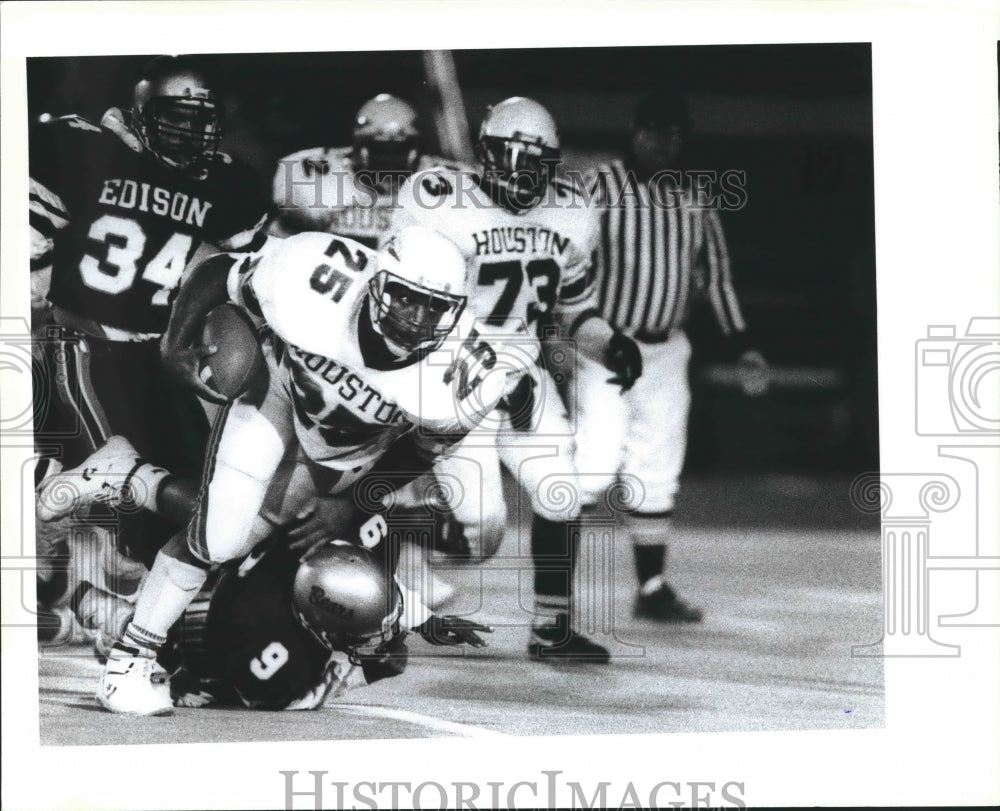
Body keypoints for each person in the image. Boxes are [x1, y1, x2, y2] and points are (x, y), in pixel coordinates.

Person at [48, 224, 520, 715]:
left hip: (346, 452)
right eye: (406, 298)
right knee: (219, 537)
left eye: (435, 307)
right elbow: (220, 272)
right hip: (275, 393)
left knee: (252, 538)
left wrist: (350, 502)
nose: (417, 319)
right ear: (378, 283)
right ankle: (129, 662)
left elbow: (420, 453)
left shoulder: (469, 376)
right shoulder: (312, 270)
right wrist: (175, 341)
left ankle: (132, 481)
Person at [389, 97, 643, 663]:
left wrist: (609, 342)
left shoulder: (570, 211)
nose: (524, 175)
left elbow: (575, 307)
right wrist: (491, 376)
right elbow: (419, 310)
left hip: (525, 374)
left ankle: (552, 627)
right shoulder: (441, 201)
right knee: (481, 532)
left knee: (561, 491)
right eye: (513, 160)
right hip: (452, 374)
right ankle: (388, 541)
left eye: (537, 165)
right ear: (486, 153)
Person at [30, 55, 271, 631]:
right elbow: (32, 250)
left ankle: (101, 598)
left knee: (199, 503)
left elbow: (241, 271)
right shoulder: (82, 148)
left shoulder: (228, 182)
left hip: (161, 357)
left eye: (200, 120)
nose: (189, 132)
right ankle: (86, 593)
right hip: (82, 341)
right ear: (140, 115)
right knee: (124, 494)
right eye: (175, 117)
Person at [576, 89, 770, 622]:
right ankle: (556, 591)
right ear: (635, 133)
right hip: (607, 346)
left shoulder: (695, 197)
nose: (664, 143)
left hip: (666, 349)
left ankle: (652, 586)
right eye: (655, 132)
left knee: (656, 467)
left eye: (674, 134)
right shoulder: (598, 186)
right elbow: (569, 263)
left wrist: (742, 343)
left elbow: (717, 276)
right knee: (593, 463)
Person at [71, 517, 491, 711]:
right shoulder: (277, 656)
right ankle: (120, 623)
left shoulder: (340, 541)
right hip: (204, 635)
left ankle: (115, 599)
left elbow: (362, 578)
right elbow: (264, 692)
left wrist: (423, 619)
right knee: (193, 666)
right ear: (313, 623)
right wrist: (360, 673)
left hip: (212, 565)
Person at [271, 93, 462, 247]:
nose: (391, 158)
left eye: (401, 148)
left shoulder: (447, 177)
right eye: (381, 148)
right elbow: (283, 242)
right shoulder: (317, 172)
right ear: (359, 146)